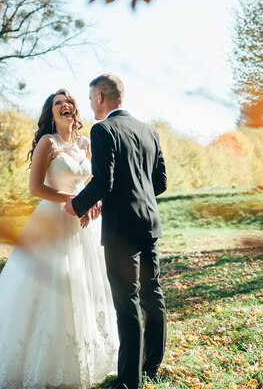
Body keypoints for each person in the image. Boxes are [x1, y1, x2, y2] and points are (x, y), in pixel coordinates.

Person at [0, 89, 118, 389]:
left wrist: (94, 204)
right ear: (51, 113)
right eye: (58, 103)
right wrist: (73, 200)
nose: (65, 106)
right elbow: (36, 188)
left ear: (75, 110)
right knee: (52, 289)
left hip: (84, 226)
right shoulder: (48, 142)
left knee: (83, 286)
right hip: (52, 220)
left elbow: (95, 182)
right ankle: (32, 364)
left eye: (69, 102)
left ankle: (80, 361)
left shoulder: (87, 143)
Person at [64, 74, 167, 389]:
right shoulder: (149, 131)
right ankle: (150, 369)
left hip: (121, 229)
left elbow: (103, 181)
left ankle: (128, 381)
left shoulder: (103, 129)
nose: (90, 103)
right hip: (148, 223)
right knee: (153, 295)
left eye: (90, 97)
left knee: (127, 302)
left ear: (99, 96)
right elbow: (160, 182)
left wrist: (77, 205)